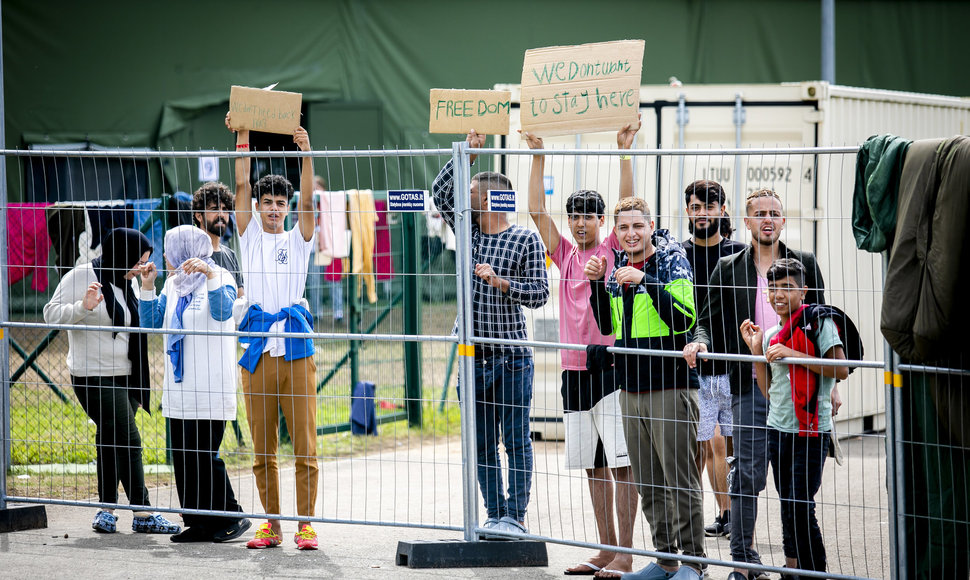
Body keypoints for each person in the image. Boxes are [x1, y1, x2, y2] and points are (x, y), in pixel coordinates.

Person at [683, 189, 827, 580]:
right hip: (747, 388)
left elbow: (821, 324)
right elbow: (706, 321)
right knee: (746, 474)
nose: (767, 219)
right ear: (746, 221)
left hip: (797, 391)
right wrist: (700, 342)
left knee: (792, 483)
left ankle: (795, 564)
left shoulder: (805, 264)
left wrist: (834, 388)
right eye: (759, 213)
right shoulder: (727, 267)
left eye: (774, 213)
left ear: (783, 220)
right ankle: (743, 561)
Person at [522, 122, 640, 578]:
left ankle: (627, 554)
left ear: (600, 222)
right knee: (592, 465)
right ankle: (605, 549)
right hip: (573, 370)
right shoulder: (566, 255)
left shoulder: (613, 249)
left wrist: (623, 152)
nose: (580, 222)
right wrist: (538, 154)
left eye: (589, 215)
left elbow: (626, 204)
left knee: (621, 462)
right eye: (575, 215)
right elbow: (535, 210)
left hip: (609, 365)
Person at [431, 129, 549, 536]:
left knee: (515, 440)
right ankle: (494, 514)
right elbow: (439, 192)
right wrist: (469, 156)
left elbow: (539, 295)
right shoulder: (468, 233)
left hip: (513, 357)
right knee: (481, 444)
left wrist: (503, 284)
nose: (464, 201)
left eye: (472, 195)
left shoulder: (525, 238)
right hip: (472, 355)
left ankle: (514, 516)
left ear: (487, 200)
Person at [585, 198, 705, 580]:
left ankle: (695, 564)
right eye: (623, 228)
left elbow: (683, 318)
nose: (631, 233)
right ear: (615, 233)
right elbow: (607, 326)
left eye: (637, 226)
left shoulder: (671, 261)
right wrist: (594, 283)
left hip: (670, 386)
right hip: (631, 389)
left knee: (680, 479)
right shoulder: (617, 267)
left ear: (651, 225)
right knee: (649, 480)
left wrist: (645, 281)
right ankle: (666, 559)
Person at [43, 228, 180, 535]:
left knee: (110, 437)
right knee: (129, 439)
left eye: (145, 262)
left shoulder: (128, 280)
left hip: (127, 374)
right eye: (138, 262)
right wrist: (83, 307)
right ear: (122, 254)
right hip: (92, 375)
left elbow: (143, 324)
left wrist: (147, 286)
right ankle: (143, 513)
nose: (141, 268)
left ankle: (106, 511)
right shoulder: (81, 276)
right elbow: (49, 314)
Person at [227, 113, 320, 550]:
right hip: (259, 349)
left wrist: (305, 152)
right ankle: (272, 524)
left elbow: (307, 202)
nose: (274, 208)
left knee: (304, 443)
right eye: (268, 202)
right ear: (259, 207)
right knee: (263, 448)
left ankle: (305, 525)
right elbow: (241, 185)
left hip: (297, 349)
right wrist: (243, 131)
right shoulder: (248, 236)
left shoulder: (300, 237)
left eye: (280, 203)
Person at [138, 225, 252, 543]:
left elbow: (221, 312)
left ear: (186, 251)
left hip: (211, 384)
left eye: (169, 248)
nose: (164, 255)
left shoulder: (222, 279)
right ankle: (198, 522)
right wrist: (147, 286)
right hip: (181, 388)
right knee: (184, 456)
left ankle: (232, 516)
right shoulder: (174, 285)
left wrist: (211, 275)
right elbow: (149, 325)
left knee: (204, 454)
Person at [740, 258, 848, 577]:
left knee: (801, 505)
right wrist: (757, 349)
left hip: (811, 431)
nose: (779, 295)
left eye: (788, 288)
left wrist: (794, 354)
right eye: (773, 288)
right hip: (779, 431)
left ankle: (815, 571)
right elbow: (769, 390)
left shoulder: (819, 324)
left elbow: (841, 369)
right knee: (788, 504)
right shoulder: (772, 334)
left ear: (803, 290)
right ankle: (794, 567)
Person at [681, 180, 745, 539]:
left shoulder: (738, 253)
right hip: (697, 365)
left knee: (731, 445)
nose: (701, 213)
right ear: (687, 211)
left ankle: (733, 511)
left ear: (722, 209)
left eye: (708, 206)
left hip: (734, 362)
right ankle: (725, 513)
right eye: (694, 206)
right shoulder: (680, 254)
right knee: (712, 444)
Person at [192, 181, 244, 297]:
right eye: (214, 209)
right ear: (199, 216)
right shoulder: (190, 254)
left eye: (225, 209)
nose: (221, 214)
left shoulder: (231, 255)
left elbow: (241, 298)